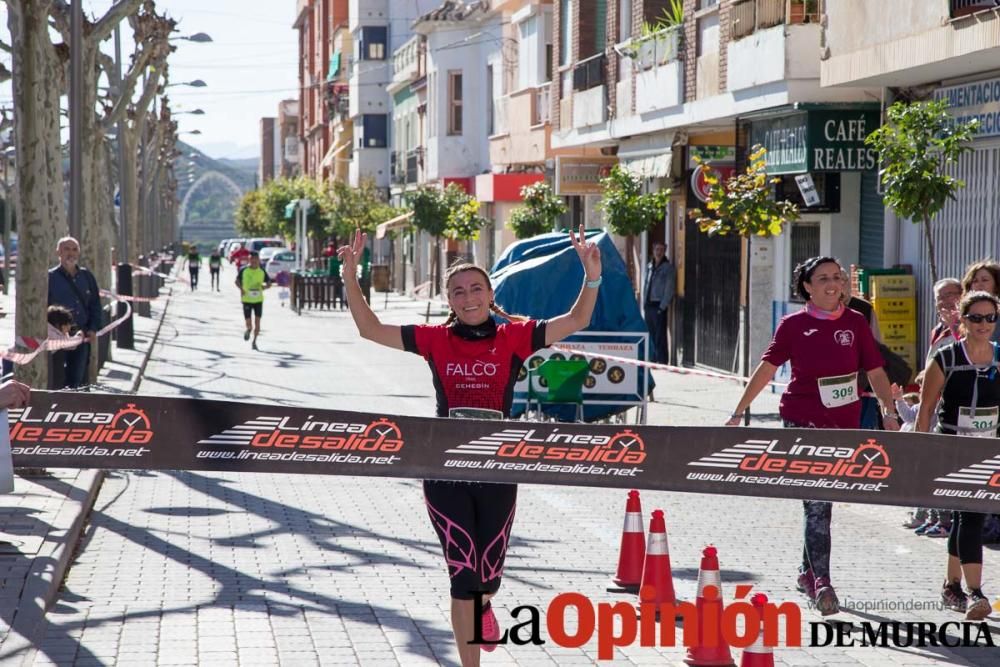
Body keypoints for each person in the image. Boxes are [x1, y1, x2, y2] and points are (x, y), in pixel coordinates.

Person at [338, 225, 601, 667]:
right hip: (444, 471)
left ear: (490, 292)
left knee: (488, 579)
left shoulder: (513, 337)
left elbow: (577, 321)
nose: (468, 297)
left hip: (498, 471)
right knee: (463, 577)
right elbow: (370, 329)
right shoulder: (435, 339)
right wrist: (350, 276)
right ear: (450, 301)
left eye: (476, 288)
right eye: (458, 291)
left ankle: (485, 604)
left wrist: (591, 276)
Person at [725, 256, 900, 616]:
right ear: (806, 285)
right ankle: (822, 581)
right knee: (818, 501)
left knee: (820, 502)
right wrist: (740, 409)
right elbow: (767, 368)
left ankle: (807, 572)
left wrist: (888, 411)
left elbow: (876, 369)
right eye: (823, 278)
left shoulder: (855, 322)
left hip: (844, 424)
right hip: (801, 421)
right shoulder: (792, 325)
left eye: (837, 277)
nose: (832, 284)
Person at [916, 290, 1000, 621]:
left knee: (966, 516)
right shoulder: (946, 358)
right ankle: (975, 592)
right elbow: (925, 410)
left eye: (990, 318)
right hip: (950, 448)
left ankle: (952, 584)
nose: (984, 324)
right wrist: (918, 454)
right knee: (970, 514)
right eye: (976, 318)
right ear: (963, 320)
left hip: (987, 449)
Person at [47, 236, 102, 389]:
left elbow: (95, 305)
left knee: (77, 380)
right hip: (57, 339)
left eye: (74, 249)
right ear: (58, 252)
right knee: (57, 381)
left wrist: (92, 328)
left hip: (81, 337)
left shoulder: (87, 277)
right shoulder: (49, 277)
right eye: (66, 249)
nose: (71, 253)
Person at [642, 242, 675, 364]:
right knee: (650, 334)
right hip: (648, 305)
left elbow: (669, 288)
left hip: (658, 305)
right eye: (657, 249)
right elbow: (646, 284)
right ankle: (652, 358)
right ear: (653, 250)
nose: (659, 252)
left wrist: (662, 306)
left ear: (665, 251)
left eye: (661, 249)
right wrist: (644, 303)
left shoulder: (668, 268)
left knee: (660, 335)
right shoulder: (649, 266)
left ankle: (662, 360)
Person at [235, 251, 272, 351]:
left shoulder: (262, 271)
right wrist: (242, 289)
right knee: (249, 323)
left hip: (258, 300)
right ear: (249, 260)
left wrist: (265, 286)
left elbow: (269, 282)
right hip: (247, 299)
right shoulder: (243, 270)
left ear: (258, 260)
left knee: (258, 323)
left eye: (255, 260)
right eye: (251, 260)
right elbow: (237, 281)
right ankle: (248, 330)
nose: (253, 262)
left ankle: (254, 341)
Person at [961, 261, 1000, 342]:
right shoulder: (965, 313)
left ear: (996, 285)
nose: (979, 284)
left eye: (985, 280)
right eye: (975, 281)